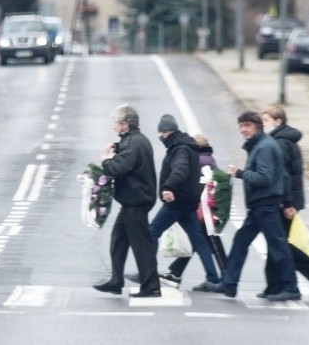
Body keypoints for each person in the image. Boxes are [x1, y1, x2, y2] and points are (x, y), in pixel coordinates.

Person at [211, 111, 300, 301]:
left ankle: (291, 288)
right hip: (260, 206)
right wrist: (287, 201)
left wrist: (240, 173)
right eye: (241, 126)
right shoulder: (261, 145)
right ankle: (229, 284)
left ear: (257, 126)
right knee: (241, 242)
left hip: (266, 205)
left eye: (247, 125)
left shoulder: (265, 147)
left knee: (278, 247)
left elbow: (265, 177)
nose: (243, 130)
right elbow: (282, 176)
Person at [259, 106, 309, 299]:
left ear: (278, 121)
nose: (263, 124)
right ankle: (274, 286)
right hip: (287, 200)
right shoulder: (280, 140)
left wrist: (287, 203)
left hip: (285, 201)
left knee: (279, 244)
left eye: (266, 120)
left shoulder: (280, 143)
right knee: (276, 243)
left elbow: (283, 177)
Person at [93, 105, 161, 298]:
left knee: (141, 245)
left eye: (116, 123)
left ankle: (151, 286)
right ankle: (116, 281)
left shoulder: (133, 143)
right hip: (134, 200)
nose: (114, 127)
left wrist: (106, 160)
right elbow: (126, 156)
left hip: (136, 200)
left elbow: (119, 167)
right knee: (118, 241)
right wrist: (116, 149)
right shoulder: (136, 141)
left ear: (125, 124)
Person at [157, 131, 223, 290]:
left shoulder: (199, 160)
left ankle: (150, 271)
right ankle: (211, 277)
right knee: (199, 242)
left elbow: (189, 179)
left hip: (190, 205)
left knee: (152, 231)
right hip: (197, 206)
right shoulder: (207, 159)